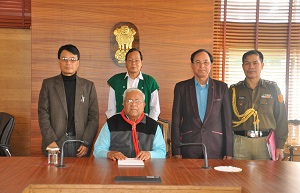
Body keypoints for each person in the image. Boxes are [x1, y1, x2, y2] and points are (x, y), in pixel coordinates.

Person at [38, 44, 99, 157]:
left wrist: (86, 142)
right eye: (64, 59)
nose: (68, 63)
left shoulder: (88, 86)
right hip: (55, 143)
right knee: (53, 174)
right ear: (59, 61)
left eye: (72, 59)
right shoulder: (48, 84)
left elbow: (93, 117)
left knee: (79, 174)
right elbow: (43, 114)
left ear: (78, 62)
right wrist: (50, 140)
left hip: (80, 144)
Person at [171, 49, 233, 159]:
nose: (202, 66)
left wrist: (229, 152)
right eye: (198, 62)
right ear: (192, 65)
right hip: (189, 146)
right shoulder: (181, 88)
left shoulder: (222, 88)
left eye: (206, 62)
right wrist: (176, 151)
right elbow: (176, 121)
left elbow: (227, 122)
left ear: (211, 65)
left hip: (215, 146)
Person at [229, 50, 288, 160]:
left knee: (265, 176)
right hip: (240, 142)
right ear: (242, 66)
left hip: (265, 142)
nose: (251, 66)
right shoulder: (233, 90)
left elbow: (281, 118)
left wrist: (280, 146)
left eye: (255, 63)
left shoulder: (273, 89)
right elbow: (226, 120)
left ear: (262, 65)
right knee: (238, 176)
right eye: (247, 63)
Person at [94, 88, 166, 160]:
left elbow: (162, 152)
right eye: (129, 100)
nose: (133, 104)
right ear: (123, 104)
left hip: (145, 167)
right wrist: (109, 154)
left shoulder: (153, 125)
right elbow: (98, 150)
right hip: (116, 167)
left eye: (137, 101)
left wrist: (150, 154)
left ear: (144, 105)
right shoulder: (111, 123)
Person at [105, 48, 160, 121]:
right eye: (130, 60)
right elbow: (111, 108)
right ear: (126, 63)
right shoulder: (116, 80)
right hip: (120, 124)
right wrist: (114, 125)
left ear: (141, 63)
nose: (133, 63)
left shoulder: (150, 81)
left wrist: (150, 125)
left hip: (144, 124)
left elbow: (155, 108)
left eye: (137, 60)